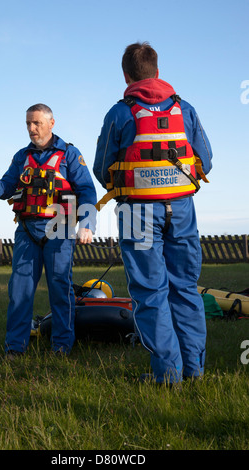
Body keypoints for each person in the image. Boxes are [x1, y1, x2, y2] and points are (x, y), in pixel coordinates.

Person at [93, 42, 212, 385]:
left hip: (135, 210)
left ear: (126, 75)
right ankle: (194, 371)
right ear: (157, 72)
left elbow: (103, 169)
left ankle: (167, 375)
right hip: (183, 207)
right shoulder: (184, 108)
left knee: (149, 292)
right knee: (186, 287)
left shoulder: (119, 113)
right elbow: (207, 159)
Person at [0, 103, 97, 358]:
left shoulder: (70, 154)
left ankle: (61, 347)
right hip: (27, 230)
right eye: (28, 123)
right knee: (19, 291)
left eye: (36, 123)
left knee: (60, 289)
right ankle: (14, 348)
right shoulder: (21, 156)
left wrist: (86, 225)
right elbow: (6, 188)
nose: (31, 128)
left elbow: (87, 191)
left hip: (60, 230)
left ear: (51, 123)